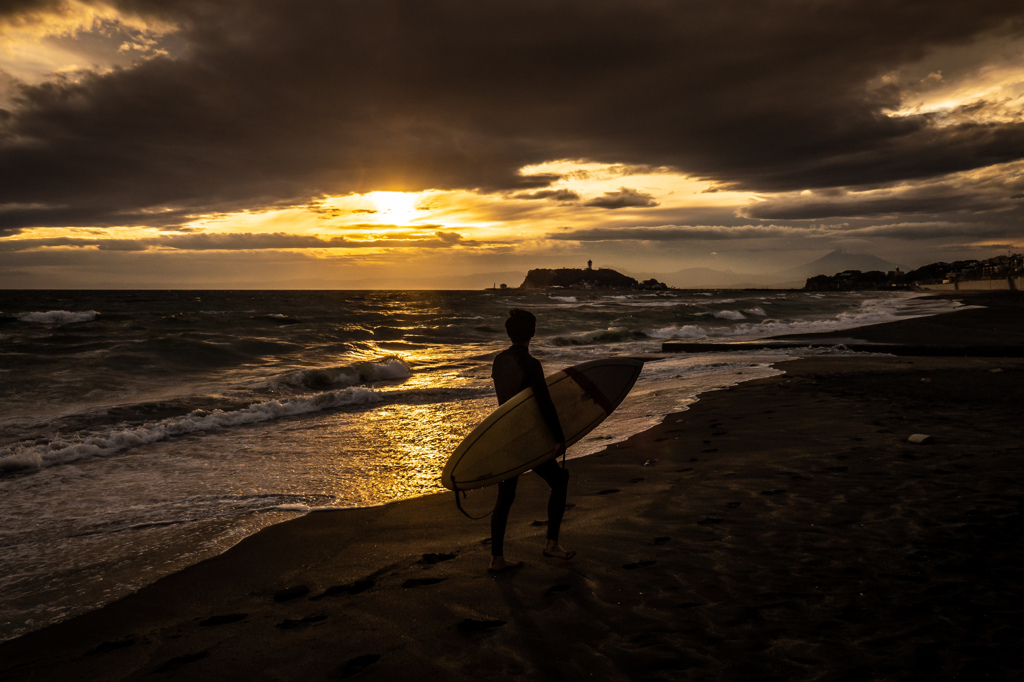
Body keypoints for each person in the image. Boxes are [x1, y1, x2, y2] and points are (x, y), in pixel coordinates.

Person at [488, 308, 575, 572]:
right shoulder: (531, 364)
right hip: (527, 440)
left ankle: (497, 558)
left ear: (508, 332)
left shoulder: (498, 361)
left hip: (506, 437)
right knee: (560, 479)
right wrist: (559, 438)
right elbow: (544, 404)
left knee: (505, 496)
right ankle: (551, 544)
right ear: (533, 333)